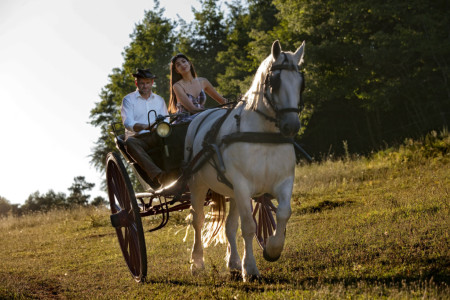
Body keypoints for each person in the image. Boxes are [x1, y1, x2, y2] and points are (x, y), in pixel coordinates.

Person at [121, 68, 173, 186]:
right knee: (129, 143)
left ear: (152, 83)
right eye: (142, 83)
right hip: (139, 139)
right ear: (136, 83)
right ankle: (160, 176)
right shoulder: (128, 99)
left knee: (174, 136)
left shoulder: (159, 100)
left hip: (157, 135)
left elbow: (166, 120)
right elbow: (128, 122)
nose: (145, 86)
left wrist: (159, 128)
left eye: (147, 83)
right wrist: (145, 126)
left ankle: (181, 171)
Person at [169, 53, 228, 123]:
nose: (182, 65)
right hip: (186, 120)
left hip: (203, 117)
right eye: (178, 65)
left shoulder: (203, 81)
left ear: (189, 63)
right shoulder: (177, 86)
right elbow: (192, 109)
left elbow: (223, 101)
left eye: (184, 61)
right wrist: (211, 112)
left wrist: (236, 104)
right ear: (177, 70)